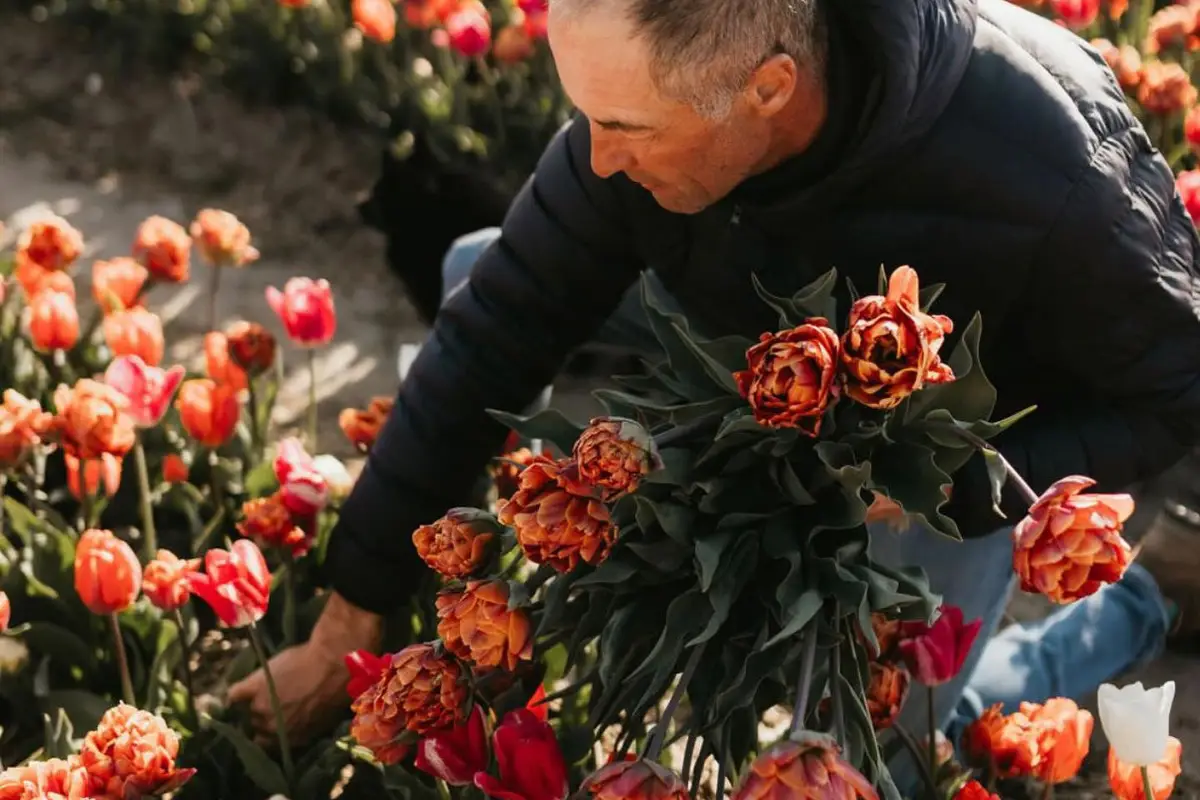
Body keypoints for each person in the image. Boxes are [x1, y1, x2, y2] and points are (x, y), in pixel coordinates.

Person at [229, 0, 1200, 771]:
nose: (597, 156)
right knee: (478, 272)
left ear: (770, 88)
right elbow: (497, 326)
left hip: (948, 446)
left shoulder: (1059, 177)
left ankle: (1142, 606)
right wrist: (348, 620)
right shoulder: (640, 123)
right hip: (750, 321)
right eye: (586, 118)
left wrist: (948, 485)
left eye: (622, 126)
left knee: (881, 756)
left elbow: (1174, 390)